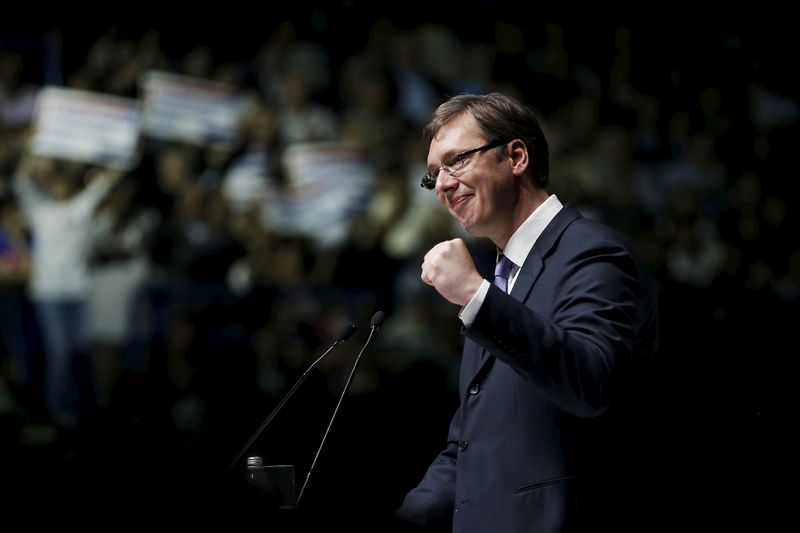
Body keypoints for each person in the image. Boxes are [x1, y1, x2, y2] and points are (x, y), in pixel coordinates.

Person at [394, 93, 659, 532]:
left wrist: (476, 295)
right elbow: (469, 449)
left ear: (516, 156)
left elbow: (589, 381)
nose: (441, 184)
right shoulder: (498, 283)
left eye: (455, 161)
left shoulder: (593, 253)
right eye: (433, 174)